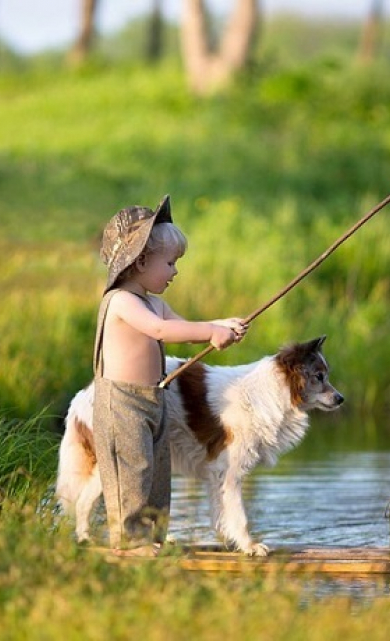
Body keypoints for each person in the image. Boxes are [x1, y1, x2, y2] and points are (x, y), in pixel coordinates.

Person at [93, 194, 247, 555]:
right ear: (141, 260)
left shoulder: (155, 302)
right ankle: (129, 542)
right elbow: (160, 331)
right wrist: (209, 330)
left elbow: (183, 326)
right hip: (120, 402)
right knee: (131, 470)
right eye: (170, 263)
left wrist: (219, 327)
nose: (175, 271)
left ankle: (153, 534)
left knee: (156, 469)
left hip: (154, 396)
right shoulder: (121, 301)